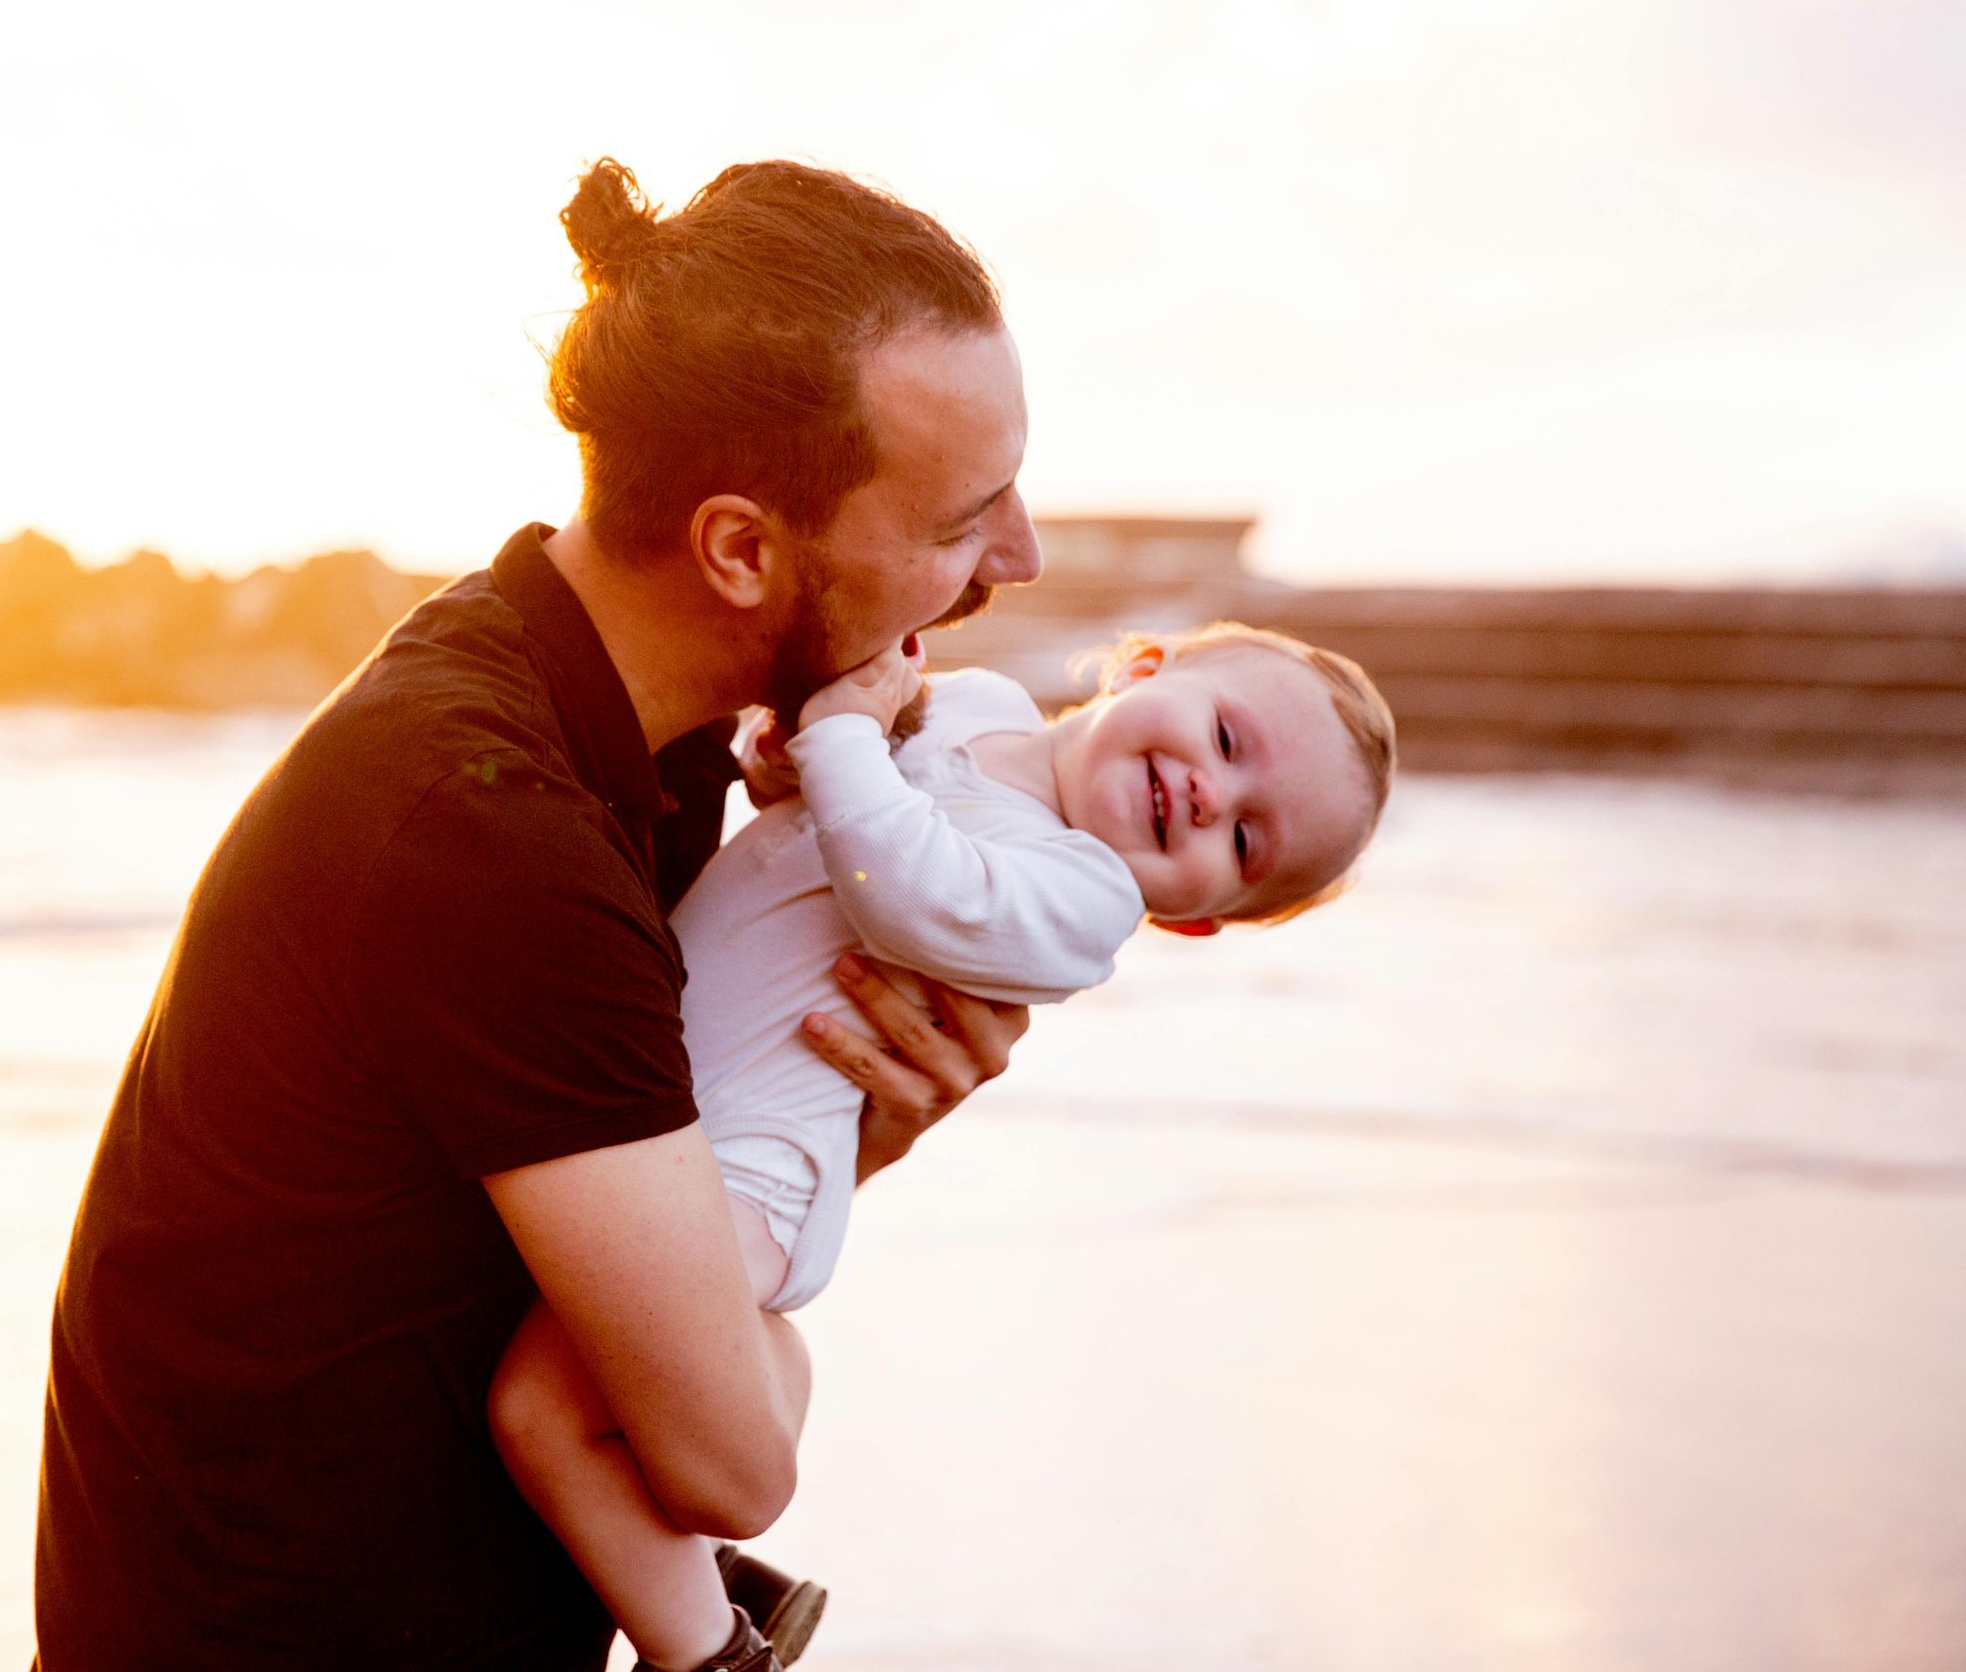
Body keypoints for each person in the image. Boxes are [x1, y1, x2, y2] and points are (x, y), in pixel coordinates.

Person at [32, 154, 1046, 1671]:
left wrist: (846, 1123)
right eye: (967, 518)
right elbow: (728, 1465)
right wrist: (762, 1321)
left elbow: (609, 1224)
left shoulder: (642, 736)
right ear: (740, 548)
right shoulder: (485, 824)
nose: (1019, 558)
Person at [487, 622, 1398, 1668]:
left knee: (541, 1404)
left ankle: (707, 1648)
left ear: (1191, 924)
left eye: (1244, 842)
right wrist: (782, 760)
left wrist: (838, 742)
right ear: (1145, 667)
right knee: (615, 1376)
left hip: (746, 1173)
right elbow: (814, 817)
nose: (1208, 797)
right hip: (670, 1114)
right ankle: (713, 1542)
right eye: (1228, 740)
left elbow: (907, 892)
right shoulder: (977, 708)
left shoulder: (1079, 901)